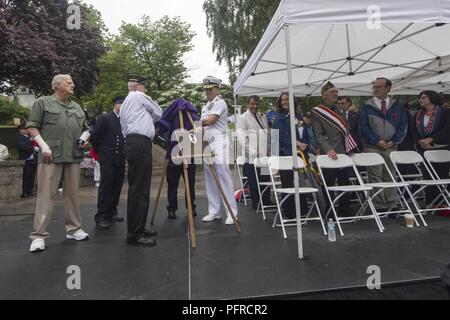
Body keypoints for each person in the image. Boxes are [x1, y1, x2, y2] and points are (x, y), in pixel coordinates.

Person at [26, 74, 89, 253]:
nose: (73, 85)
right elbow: (32, 126)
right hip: (50, 156)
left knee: (73, 195)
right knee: (46, 196)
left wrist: (85, 139)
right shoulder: (43, 103)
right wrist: (44, 146)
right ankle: (38, 235)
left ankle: (74, 229)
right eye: (69, 83)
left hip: (73, 156)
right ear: (56, 86)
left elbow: (85, 129)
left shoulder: (77, 107)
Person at [120, 74, 162, 246]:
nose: (146, 89)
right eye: (145, 86)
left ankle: (138, 226)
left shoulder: (125, 104)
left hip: (131, 142)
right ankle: (135, 233)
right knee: (140, 188)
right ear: (138, 86)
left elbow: (123, 128)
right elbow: (159, 113)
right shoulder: (139, 96)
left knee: (139, 187)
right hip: (140, 143)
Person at [359, 77, 408, 213]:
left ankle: (392, 204)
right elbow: (363, 127)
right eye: (374, 86)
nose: (375, 89)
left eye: (378, 87)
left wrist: (394, 141)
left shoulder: (397, 105)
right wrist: (376, 141)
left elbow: (403, 126)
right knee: (375, 174)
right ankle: (379, 204)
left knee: (390, 174)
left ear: (387, 88)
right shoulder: (367, 105)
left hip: (391, 146)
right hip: (372, 146)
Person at [311, 81, 356, 216]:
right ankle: (329, 210)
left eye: (336, 92)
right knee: (328, 182)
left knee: (344, 181)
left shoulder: (340, 109)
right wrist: (328, 149)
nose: (336, 94)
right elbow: (318, 135)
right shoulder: (317, 112)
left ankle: (345, 209)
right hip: (328, 151)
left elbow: (345, 130)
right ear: (324, 95)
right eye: (332, 92)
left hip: (343, 150)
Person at [200, 76, 238, 225]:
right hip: (207, 142)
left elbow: (210, 120)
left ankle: (231, 212)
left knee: (223, 176)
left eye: (210, 89)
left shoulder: (220, 103)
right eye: (206, 90)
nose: (208, 92)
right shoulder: (205, 106)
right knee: (210, 177)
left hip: (220, 142)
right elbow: (205, 123)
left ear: (217, 89)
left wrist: (195, 122)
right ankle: (214, 211)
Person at [156, 99, 199, 220]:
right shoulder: (172, 116)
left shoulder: (191, 116)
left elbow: (198, 130)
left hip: (189, 153)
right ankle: (172, 208)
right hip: (174, 153)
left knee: (190, 183)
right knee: (172, 183)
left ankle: (191, 207)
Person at [90, 96, 127, 230]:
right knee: (106, 187)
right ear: (116, 104)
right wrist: (100, 152)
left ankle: (112, 212)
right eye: (122, 104)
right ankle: (101, 216)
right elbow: (95, 137)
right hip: (107, 158)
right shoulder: (105, 118)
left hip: (120, 158)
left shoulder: (124, 120)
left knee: (117, 186)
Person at [272, 92, 309, 219]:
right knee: (288, 183)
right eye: (282, 100)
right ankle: (289, 212)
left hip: (300, 154)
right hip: (286, 155)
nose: (285, 102)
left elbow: (304, 131)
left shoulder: (298, 116)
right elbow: (283, 136)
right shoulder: (279, 117)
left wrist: (304, 143)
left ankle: (303, 210)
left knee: (301, 182)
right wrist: (298, 143)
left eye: (287, 99)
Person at [412, 90, 450, 206]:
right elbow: (413, 131)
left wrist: (431, 139)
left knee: (442, 175)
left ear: (432, 98)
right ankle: (431, 204)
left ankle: (443, 204)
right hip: (424, 148)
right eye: (420, 98)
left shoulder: (445, 112)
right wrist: (421, 142)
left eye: (423, 97)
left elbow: (447, 129)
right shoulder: (418, 114)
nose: (420, 100)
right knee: (428, 176)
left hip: (442, 148)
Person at [236, 95, 271, 210]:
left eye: (257, 104)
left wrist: (269, 149)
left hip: (264, 154)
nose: (255, 106)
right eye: (252, 104)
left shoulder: (263, 116)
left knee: (265, 178)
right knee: (254, 181)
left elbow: (267, 134)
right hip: (252, 156)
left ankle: (266, 200)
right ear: (248, 104)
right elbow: (241, 138)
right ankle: (256, 203)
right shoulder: (242, 118)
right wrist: (252, 151)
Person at [17, 123, 38, 197]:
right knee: (26, 176)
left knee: (32, 176)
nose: (27, 130)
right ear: (20, 130)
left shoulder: (29, 137)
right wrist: (33, 148)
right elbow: (22, 146)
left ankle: (30, 191)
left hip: (33, 159)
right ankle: (24, 192)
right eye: (25, 129)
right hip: (26, 159)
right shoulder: (20, 137)